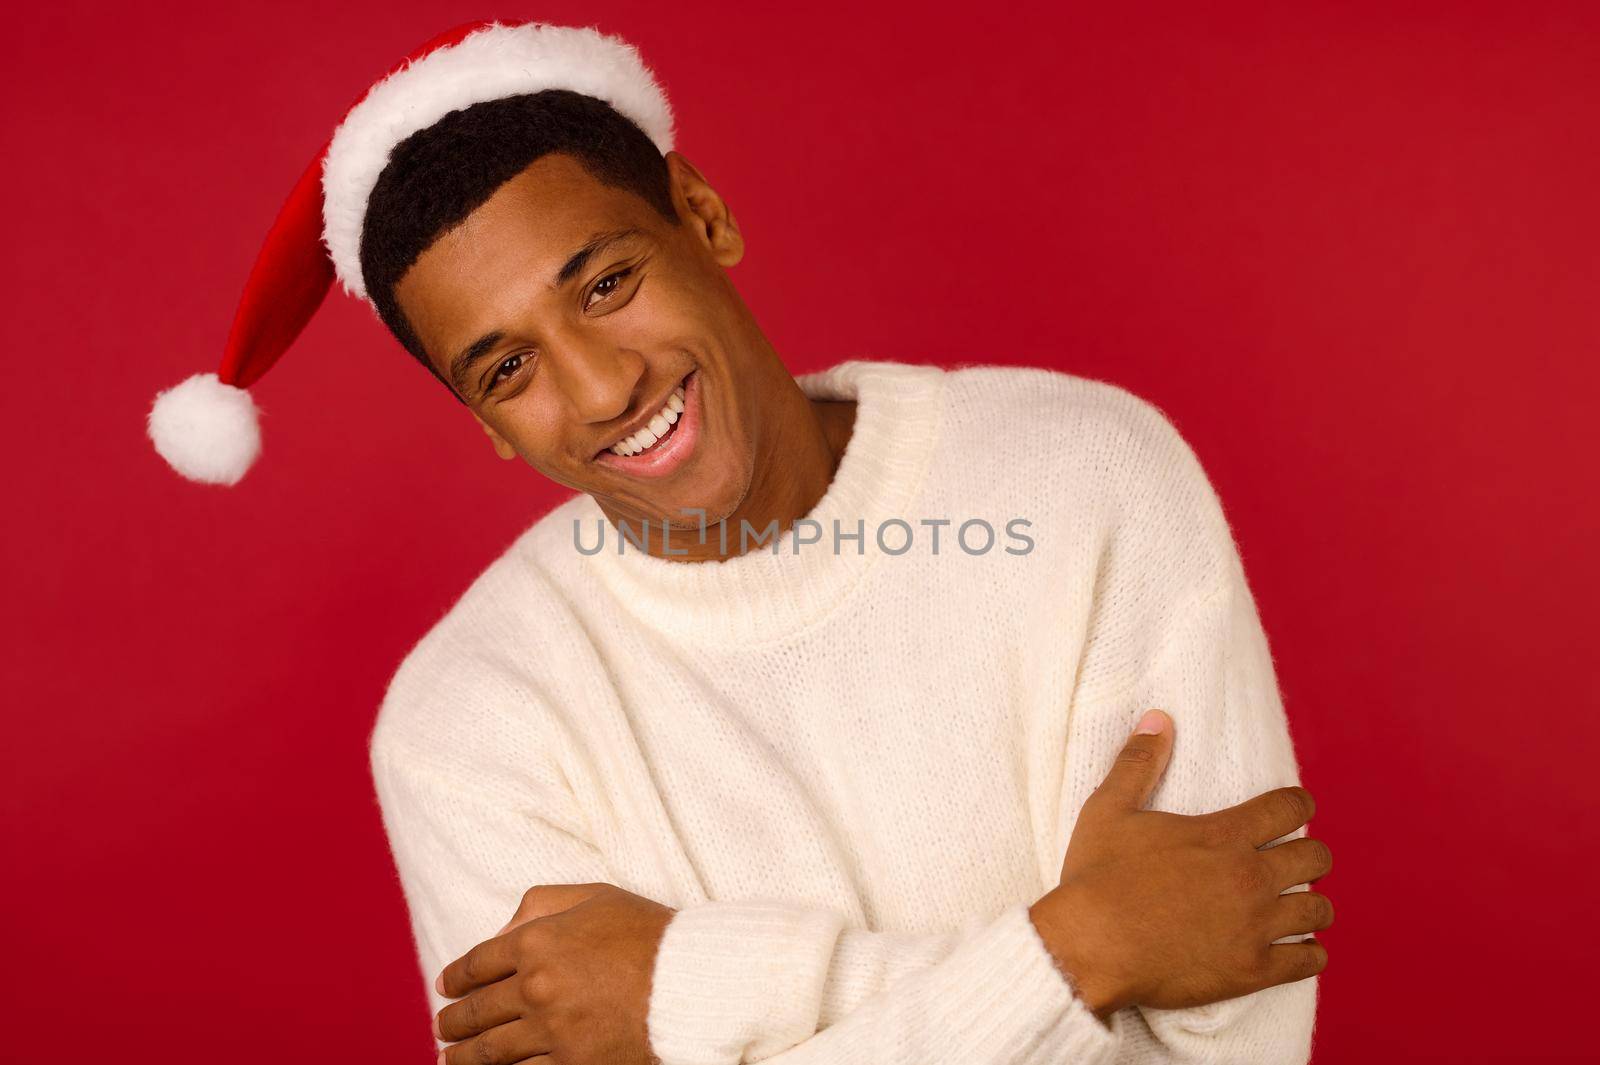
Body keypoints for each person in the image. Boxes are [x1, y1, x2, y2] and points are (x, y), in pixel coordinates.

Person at [147, 21, 1332, 1065]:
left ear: (702, 215)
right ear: (484, 422)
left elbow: (1221, 1039)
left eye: (607, 282)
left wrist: (677, 998)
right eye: (507, 368)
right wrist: (1079, 954)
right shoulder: (467, 720)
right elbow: (1151, 963)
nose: (604, 387)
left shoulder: (1086, 480)